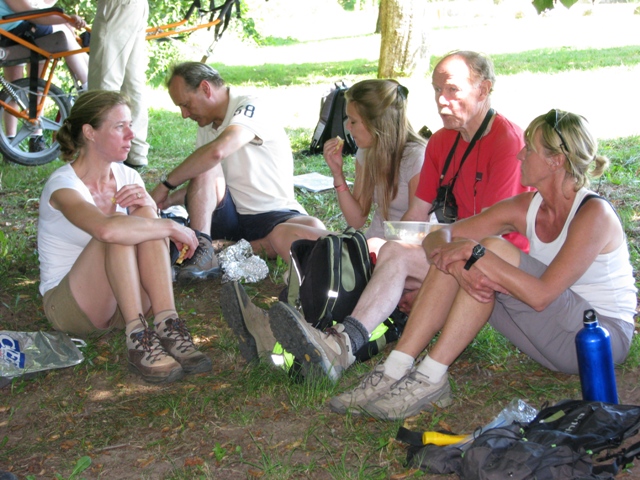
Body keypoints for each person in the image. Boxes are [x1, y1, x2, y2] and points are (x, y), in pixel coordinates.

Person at [328, 109, 637, 420]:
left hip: (599, 341)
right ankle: (397, 368)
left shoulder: (593, 214)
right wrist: (454, 259)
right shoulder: (527, 206)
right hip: (549, 339)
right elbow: (441, 235)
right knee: (468, 255)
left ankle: (430, 375)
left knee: (488, 250)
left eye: (529, 148)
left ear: (555, 161)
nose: (519, 154)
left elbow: (542, 294)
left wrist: (475, 255)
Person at [267, 50, 532, 386]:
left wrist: (414, 262)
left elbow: (494, 230)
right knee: (362, 253)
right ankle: (309, 336)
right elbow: (416, 217)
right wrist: (403, 254)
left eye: (452, 90)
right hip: (449, 250)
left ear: (484, 89)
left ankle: (337, 344)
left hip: (493, 261)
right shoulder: (442, 142)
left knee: (380, 255)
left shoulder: (505, 142)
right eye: (436, 89)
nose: (441, 100)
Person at [221, 78, 427, 365]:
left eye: (354, 121)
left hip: (396, 254)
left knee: (329, 266)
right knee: (285, 235)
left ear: (376, 123)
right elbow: (357, 217)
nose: (348, 128)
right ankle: (281, 324)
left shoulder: (417, 156)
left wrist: (374, 249)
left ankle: (273, 330)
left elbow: (416, 226)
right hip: (367, 246)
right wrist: (338, 175)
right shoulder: (367, 153)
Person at [37, 90, 212, 384]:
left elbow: (148, 237)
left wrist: (148, 211)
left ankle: (167, 324)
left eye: (130, 124)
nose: (131, 134)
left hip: (122, 300)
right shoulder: (62, 186)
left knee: (143, 219)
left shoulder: (128, 177)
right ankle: (138, 338)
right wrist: (170, 227)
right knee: (119, 225)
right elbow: (106, 230)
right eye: (120, 126)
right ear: (90, 133)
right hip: (73, 306)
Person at [150, 61, 326, 283]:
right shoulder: (205, 127)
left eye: (186, 104)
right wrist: (163, 201)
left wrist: (165, 185)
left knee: (313, 228)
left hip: (273, 213)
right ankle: (204, 249)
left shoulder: (252, 106)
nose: (184, 114)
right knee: (204, 164)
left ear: (206, 88)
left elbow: (217, 152)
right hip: (230, 216)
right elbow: (206, 184)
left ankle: (222, 248)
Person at [0, 0, 89, 149]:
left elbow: (40, 6)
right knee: (63, 33)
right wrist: (67, 19)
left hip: (10, 30)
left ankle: (13, 140)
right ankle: (87, 85)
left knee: (15, 87)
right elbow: (35, 14)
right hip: (13, 30)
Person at [88, 0, 149, 168]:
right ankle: (135, 152)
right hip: (132, 5)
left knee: (104, 82)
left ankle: (105, 152)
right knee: (132, 81)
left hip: (117, 5)